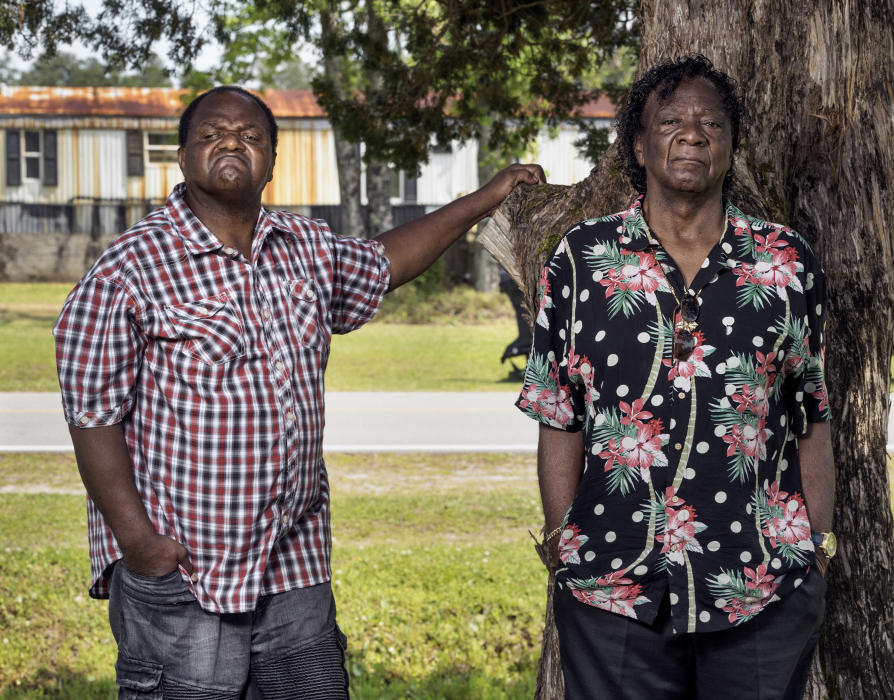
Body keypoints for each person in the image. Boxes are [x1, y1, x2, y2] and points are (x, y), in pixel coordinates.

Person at [54, 85, 544, 698]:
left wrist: (484, 198)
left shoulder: (304, 247)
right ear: (181, 157)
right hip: (186, 571)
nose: (232, 142)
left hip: (294, 562)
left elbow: (386, 262)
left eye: (251, 136)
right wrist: (137, 542)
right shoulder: (130, 267)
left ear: (271, 161)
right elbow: (92, 416)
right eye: (210, 134)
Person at [517, 55, 836, 699]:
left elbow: (811, 415)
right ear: (639, 144)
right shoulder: (583, 258)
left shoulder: (785, 262)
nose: (692, 134)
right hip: (612, 583)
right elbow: (559, 413)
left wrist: (818, 551)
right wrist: (559, 539)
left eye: (711, 124)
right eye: (671, 121)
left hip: (760, 582)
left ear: (729, 145)